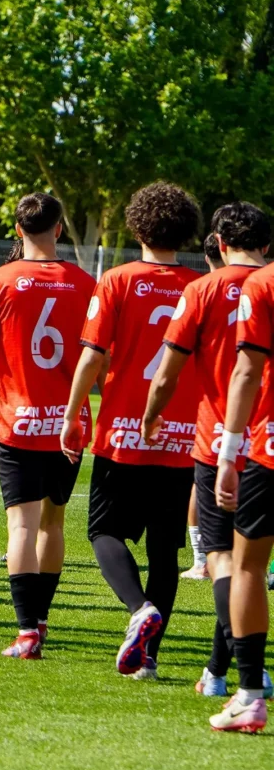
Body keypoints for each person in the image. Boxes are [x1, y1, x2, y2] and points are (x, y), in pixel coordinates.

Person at [61, 181, 200, 678]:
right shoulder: (199, 285)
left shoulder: (117, 280)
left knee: (103, 530)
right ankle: (150, 658)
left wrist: (73, 411)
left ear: (136, 225)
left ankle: (139, 609)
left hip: (124, 431)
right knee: (166, 547)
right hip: (182, 433)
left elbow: (92, 355)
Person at [0, 192, 97, 659]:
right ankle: (41, 620)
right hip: (69, 423)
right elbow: (101, 357)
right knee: (53, 524)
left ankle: (25, 633)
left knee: (21, 526)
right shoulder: (85, 283)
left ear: (18, 230)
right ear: (59, 229)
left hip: (18, 421)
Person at [142, 201, 272, 700]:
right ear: (266, 244)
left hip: (224, 439)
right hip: (259, 441)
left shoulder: (202, 289)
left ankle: (242, 674)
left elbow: (170, 369)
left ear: (218, 243)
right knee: (248, 567)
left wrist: (152, 415)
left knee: (228, 563)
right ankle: (221, 671)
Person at [213, 258, 274, 732]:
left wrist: (229, 452)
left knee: (248, 563)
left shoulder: (264, 283)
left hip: (270, 448)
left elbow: (247, 371)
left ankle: (250, 694)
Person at [182, 232, 225, 580]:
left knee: (202, 481)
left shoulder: (201, 291)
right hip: (255, 406)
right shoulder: (258, 286)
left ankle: (202, 559)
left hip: (208, 404)